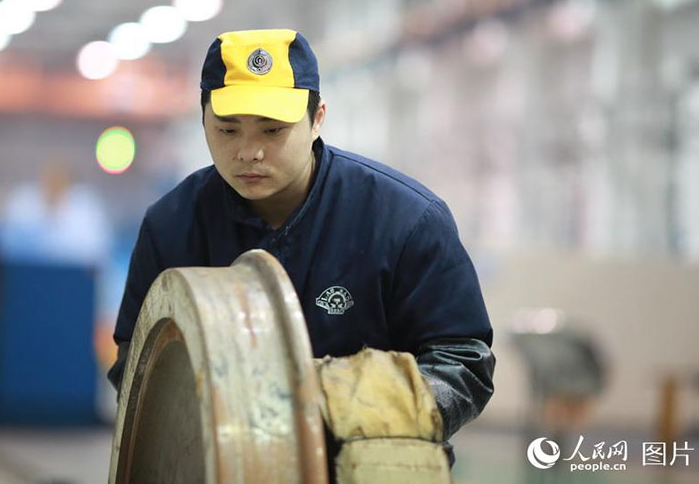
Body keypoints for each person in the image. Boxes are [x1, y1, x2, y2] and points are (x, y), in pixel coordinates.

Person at [109, 29, 495, 466]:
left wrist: (353, 410)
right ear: (202, 121)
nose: (249, 151)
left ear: (317, 119)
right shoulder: (173, 226)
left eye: (273, 130)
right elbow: (137, 364)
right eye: (227, 129)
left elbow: (463, 361)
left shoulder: (404, 222)